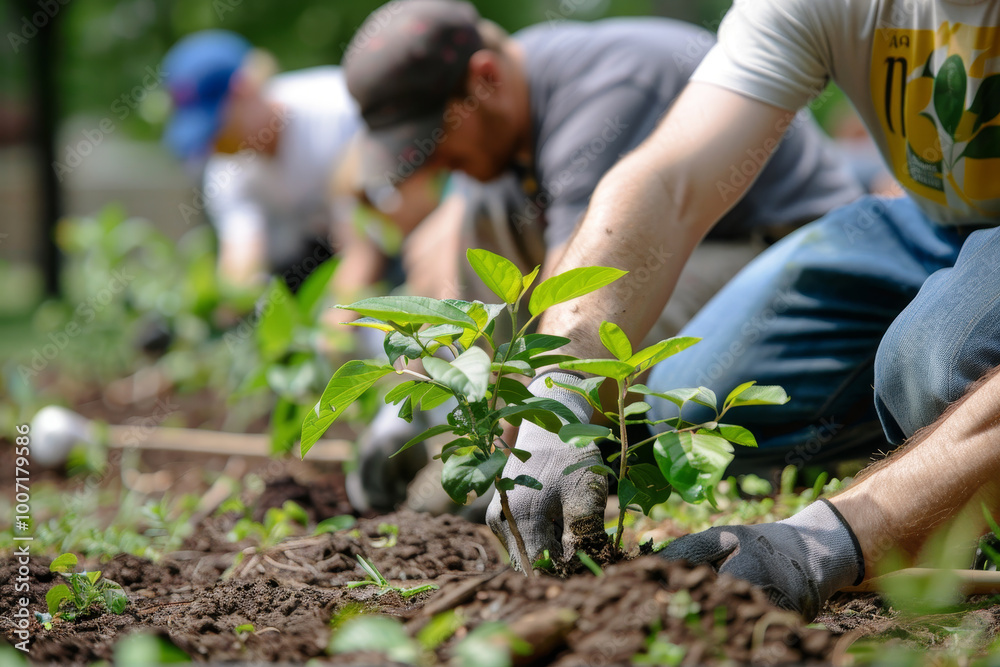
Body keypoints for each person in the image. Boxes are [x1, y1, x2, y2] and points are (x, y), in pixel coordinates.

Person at [479, 0, 1000, 621]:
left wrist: (832, 538)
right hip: (928, 223)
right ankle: (926, 426)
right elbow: (669, 183)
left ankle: (941, 430)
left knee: (944, 368)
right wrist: (560, 388)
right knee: (692, 406)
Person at [339, 0, 869, 512]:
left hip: (782, 249)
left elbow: (580, 290)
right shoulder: (506, 121)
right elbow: (457, 268)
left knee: (606, 336)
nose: (433, 163)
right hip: (693, 248)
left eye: (435, 139)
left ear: (485, 79)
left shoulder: (608, 88)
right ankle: (514, 447)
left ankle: (555, 459)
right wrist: (412, 410)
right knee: (482, 206)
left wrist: (516, 445)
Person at [162, 30, 439, 298]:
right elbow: (242, 262)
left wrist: (333, 328)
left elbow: (364, 248)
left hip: (395, 237)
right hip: (323, 253)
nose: (212, 143)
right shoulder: (227, 166)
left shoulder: (336, 112)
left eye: (216, 125)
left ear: (243, 90)